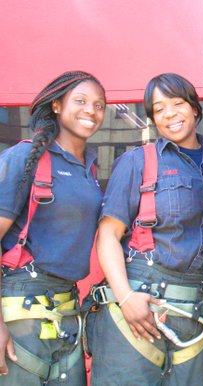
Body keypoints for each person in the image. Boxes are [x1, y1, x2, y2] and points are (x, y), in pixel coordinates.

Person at [88, 73, 203, 385]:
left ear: (195, 107)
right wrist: (125, 296)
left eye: (177, 103)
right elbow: (107, 235)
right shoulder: (137, 162)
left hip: (197, 311)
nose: (169, 114)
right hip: (139, 304)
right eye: (159, 109)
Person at [0, 71, 106, 384]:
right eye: (81, 101)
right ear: (57, 105)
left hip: (67, 307)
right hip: (22, 305)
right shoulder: (25, 157)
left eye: (99, 105)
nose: (91, 110)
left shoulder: (89, 166)